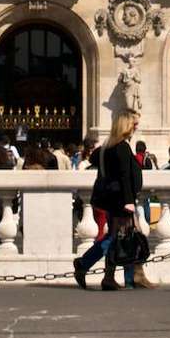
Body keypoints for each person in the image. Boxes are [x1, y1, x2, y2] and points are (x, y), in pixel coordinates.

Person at [72, 111, 146, 291]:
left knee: (120, 237)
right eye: (134, 124)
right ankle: (84, 263)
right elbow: (124, 177)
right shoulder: (122, 147)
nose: (136, 127)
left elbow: (94, 158)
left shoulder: (106, 148)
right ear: (126, 126)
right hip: (121, 200)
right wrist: (129, 201)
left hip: (110, 199)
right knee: (116, 237)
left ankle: (111, 278)